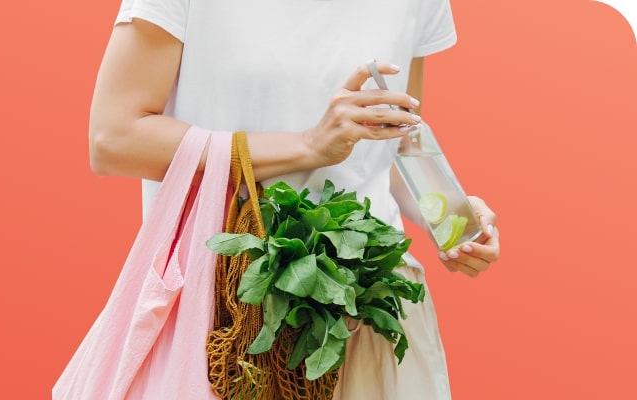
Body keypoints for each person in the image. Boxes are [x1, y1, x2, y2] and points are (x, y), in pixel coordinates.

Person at [87, 0, 500, 398]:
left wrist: (455, 216)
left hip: (366, 310)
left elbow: (390, 145)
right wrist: (307, 146)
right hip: (230, 317)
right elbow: (114, 137)